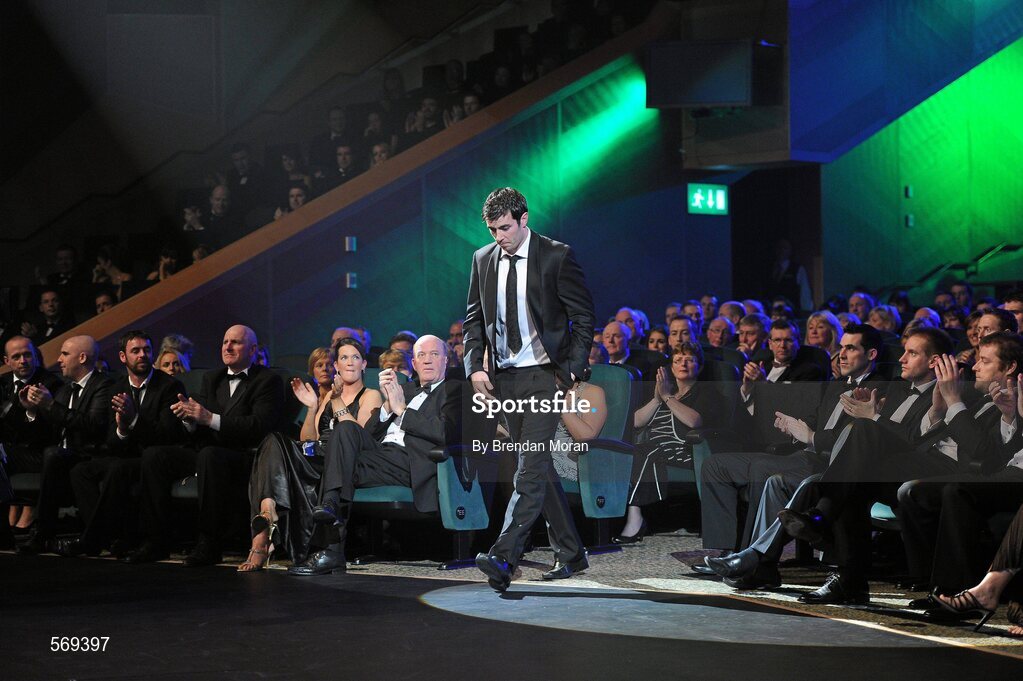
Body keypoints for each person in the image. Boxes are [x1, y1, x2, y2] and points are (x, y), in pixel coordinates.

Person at [464, 187, 595, 591]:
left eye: (504, 227)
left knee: (529, 467)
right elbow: (472, 319)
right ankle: (572, 553)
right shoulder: (483, 258)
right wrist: (474, 368)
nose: (498, 236)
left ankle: (505, 556)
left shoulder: (556, 254)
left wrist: (570, 370)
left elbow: (583, 315)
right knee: (537, 467)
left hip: (544, 375)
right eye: (492, 229)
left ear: (524, 219)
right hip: (505, 378)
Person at [292, 335, 459, 575]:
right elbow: (366, 433)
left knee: (334, 466)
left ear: (446, 360)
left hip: (410, 461)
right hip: (379, 454)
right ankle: (330, 528)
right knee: (346, 428)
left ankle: (329, 547)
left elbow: (447, 433)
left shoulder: (455, 391)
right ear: (413, 364)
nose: (427, 360)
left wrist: (402, 411)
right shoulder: (403, 389)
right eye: (421, 355)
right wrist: (386, 409)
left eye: (434, 354)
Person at [124, 325, 285, 565]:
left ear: (252, 350)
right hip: (207, 452)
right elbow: (198, 423)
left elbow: (258, 426)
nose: (227, 347)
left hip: (246, 457)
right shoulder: (212, 377)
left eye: (235, 343)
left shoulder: (268, 380)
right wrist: (189, 420)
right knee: (154, 456)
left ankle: (210, 542)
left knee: (210, 455)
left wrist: (209, 419)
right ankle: (155, 541)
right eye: (224, 342)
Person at [242, 341, 382, 571]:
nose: (349, 362)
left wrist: (337, 400)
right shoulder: (327, 398)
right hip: (317, 453)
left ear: (364, 364)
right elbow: (309, 438)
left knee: (280, 452)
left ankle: (262, 540)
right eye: (344, 358)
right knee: (273, 441)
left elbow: (356, 437)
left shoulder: (371, 395)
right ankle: (267, 512)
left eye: (355, 357)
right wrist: (311, 407)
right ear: (337, 364)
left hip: (342, 460)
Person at [57, 331, 187, 558]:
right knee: (81, 471)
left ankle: (93, 539)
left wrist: (134, 420)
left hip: (156, 457)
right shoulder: (116, 388)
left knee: (120, 468)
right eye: (135, 351)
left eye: (146, 350)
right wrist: (122, 430)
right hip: (127, 453)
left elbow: (168, 435)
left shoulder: (169, 386)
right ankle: (108, 536)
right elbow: (110, 441)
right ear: (123, 357)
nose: (142, 355)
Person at [616, 342, 728, 542]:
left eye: (689, 360)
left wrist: (668, 398)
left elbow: (695, 421)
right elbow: (635, 421)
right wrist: (658, 399)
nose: (683, 364)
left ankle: (635, 518)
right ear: (672, 367)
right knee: (634, 451)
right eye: (677, 360)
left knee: (644, 452)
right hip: (654, 452)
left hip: (685, 452)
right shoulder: (665, 391)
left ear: (699, 366)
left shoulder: (707, 392)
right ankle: (633, 518)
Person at [16, 336, 116, 555]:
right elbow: (49, 429)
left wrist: (50, 404)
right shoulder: (65, 389)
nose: (59, 360)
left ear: (82, 357)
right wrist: (31, 410)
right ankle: (38, 532)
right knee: (30, 452)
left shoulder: (104, 384)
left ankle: (43, 533)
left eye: (64, 354)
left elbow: (92, 424)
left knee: (53, 454)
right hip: (60, 456)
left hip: (88, 455)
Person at [0, 336, 63, 545]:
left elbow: (50, 432)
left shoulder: (51, 383)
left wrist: (30, 413)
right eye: (16, 357)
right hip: (10, 450)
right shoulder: (3, 384)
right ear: (7, 361)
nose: (23, 360)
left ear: (35, 356)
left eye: (27, 355)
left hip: (40, 452)